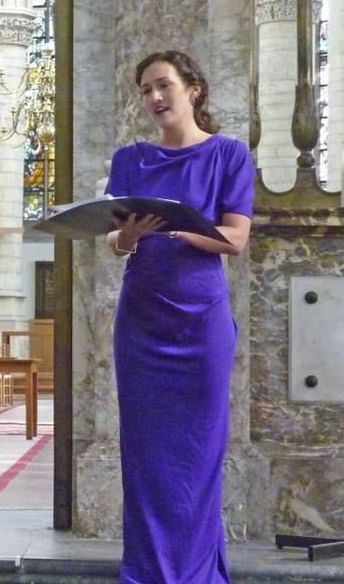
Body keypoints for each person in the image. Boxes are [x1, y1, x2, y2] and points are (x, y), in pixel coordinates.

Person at [105, 50, 255, 584]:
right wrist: (129, 236)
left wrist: (174, 229)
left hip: (201, 325)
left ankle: (193, 574)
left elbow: (235, 239)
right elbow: (115, 241)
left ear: (193, 88)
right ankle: (146, 573)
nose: (154, 98)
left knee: (198, 455)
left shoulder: (230, 155)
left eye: (163, 85)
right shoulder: (131, 160)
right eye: (145, 89)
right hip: (142, 323)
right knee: (147, 457)